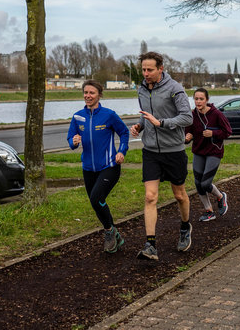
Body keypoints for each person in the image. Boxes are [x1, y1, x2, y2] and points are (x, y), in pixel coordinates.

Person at [130, 51, 193, 260]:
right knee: (150, 197)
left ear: (160, 69)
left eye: (150, 70)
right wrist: (140, 126)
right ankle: (150, 245)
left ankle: (185, 227)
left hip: (173, 151)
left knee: (179, 195)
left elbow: (187, 117)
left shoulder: (175, 89)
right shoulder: (141, 88)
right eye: (143, 70)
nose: (146, 73)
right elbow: (146, 115)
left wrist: (162, 123)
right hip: (150, 151)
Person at [67, 80, 129, 253]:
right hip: (88, 168)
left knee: (96, 198)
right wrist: (73, 142)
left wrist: (122, 151)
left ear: (99, 95)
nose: (88, 96)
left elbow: (124, 132)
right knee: (97, 202)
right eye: (85, 92)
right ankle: (113, 231)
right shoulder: (78, 116)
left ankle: (109, 232)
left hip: (109, 165)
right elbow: (71, 138)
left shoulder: (109, 115)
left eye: (91, 93)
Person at [185, 88, 232, 222]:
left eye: (201, 99)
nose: (198, 102)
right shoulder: (193, 115)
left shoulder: (216, 114)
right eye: (196, 99)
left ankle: (220, 196)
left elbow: (228, 131)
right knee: (198, 183)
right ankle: (209, 211)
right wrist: (187, 137)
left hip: (214, 151)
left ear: (207, 100)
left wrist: (213, 133)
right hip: (199, 151)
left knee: (206, 183)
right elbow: (188, 132)